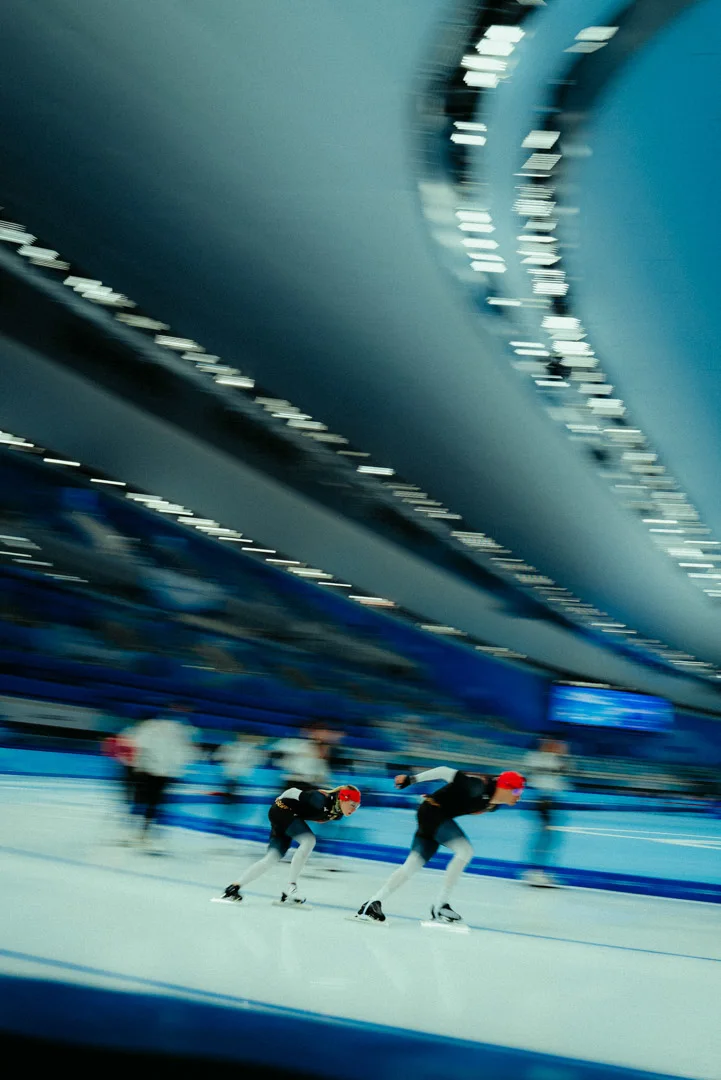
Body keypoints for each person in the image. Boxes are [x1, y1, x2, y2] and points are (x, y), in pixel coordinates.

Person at [356, 766, 525, 924]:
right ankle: (440, 905)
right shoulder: (478, 786)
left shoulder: (492, 805)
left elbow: (461, 801)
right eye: (516, 791)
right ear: (504, 787)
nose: (519, 796)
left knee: (412, 864)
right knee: (465, 851)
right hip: (433, 813)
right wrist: (411, 780)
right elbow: (444, 771)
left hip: (432, 814)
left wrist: (440, 797)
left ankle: (372, 904)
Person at [219, 782, 361, 905]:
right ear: (343, 799)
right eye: (352, 805)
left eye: (357, 806)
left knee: (272, 858)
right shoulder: (319, 799)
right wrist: (280, 802)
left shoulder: (336, 814)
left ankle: (233, 888)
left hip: (284, 816)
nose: (354, 809)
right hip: (282, 811)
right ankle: (291, 889)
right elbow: (292, 791)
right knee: (309, 840)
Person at [130, 701, 197, 849]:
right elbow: (187, 754)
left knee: (149, 802)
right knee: (153, 803)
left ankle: (142, 832)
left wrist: (139, 764)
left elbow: (138, 745)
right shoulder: (180, 730)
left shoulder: (179, 730)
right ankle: (143, 832)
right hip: (159, 772)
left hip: (155, 772)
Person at [522, 738, 569, 886]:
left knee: (549, 837)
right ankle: (535, 871)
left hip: (549, 800)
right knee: (545, 836)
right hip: (542, 800)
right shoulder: (538, 758)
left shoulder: (553, 759)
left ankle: (539, 871)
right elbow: (537, 778)